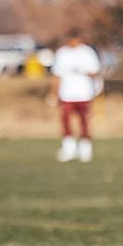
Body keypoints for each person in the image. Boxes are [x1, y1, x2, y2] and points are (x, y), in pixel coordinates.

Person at [49, 29, 101, 163]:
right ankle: (69, 149)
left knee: (84, 121)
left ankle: (85, 150)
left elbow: (95, 72)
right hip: (67, 94)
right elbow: (57, 75)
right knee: (65, 121)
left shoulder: (87, 52)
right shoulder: (62, 53)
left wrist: (96, 87)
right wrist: (53, 93)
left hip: (84, 93)